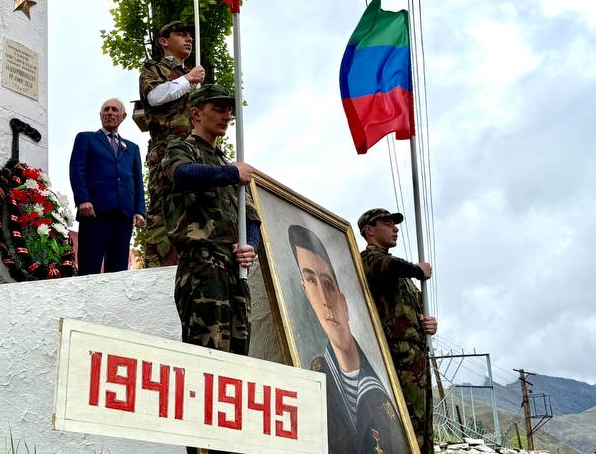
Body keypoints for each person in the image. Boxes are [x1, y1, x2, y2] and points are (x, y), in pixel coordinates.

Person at [157, 84, 260, 454]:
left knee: (236, 365)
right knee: (206, 360)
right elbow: (182, 175)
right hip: (202, 265)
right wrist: (231, 174)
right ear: (197, 112)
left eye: (229, 110)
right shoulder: (182, 149)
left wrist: (251, 248)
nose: (227, 116)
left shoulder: (228, 166)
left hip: (234, 271)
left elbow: (252, 219)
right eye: (218, 108)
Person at [289, 224, 410, 454]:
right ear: (306, 294)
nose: (324, 300)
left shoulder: (381, 382)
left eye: (328, 284)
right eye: (312, 282)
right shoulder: (315, 378)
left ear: (344, 302)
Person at [358, 208, 438, 454]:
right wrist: (418, 269)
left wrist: (427, 324)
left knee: (424, 429)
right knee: (403, 426)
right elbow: (389, 265)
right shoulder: (370, 260)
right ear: (369, 230)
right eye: (387, 223)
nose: (395, 229)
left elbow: (411, 312)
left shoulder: (402, 275)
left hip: (416, 361)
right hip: (397, 360)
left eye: (395, 224)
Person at [137, 20, 205, 265]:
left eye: (190, 35)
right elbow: (154, 97)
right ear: (164, 41)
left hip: (194, 153)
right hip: (166, 152)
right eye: (180, 34)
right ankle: (156, 270)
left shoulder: (192, 79)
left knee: (194, 211)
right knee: (163, 214)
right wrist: (187, 79)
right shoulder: (154, 70)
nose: (188, 38)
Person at [68, 98, 146, 274]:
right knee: (89, 268)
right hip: (94, 213)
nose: (110, 113)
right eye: (106, 109)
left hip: (123, 217)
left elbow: (137, 181)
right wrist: (83, 199)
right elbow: (77, 171)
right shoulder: (86, 138)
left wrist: (139, 210)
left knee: (118, 272)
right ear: (101, 115)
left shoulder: (132, 148)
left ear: (123, 116)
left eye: (114, 110)